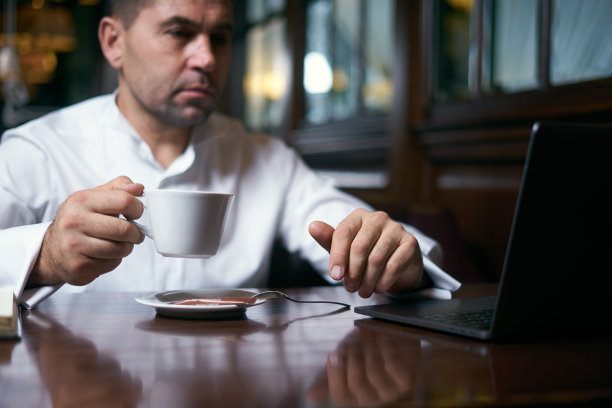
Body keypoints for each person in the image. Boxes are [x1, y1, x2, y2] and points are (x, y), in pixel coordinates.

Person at [0, 0, 459, 309]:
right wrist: (45, 258)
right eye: (179, 32)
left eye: (220, 38)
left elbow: (366, 240)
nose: (207, 58)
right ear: (113, 42)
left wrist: (396, 260)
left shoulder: (266, 159)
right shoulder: (36, 151)